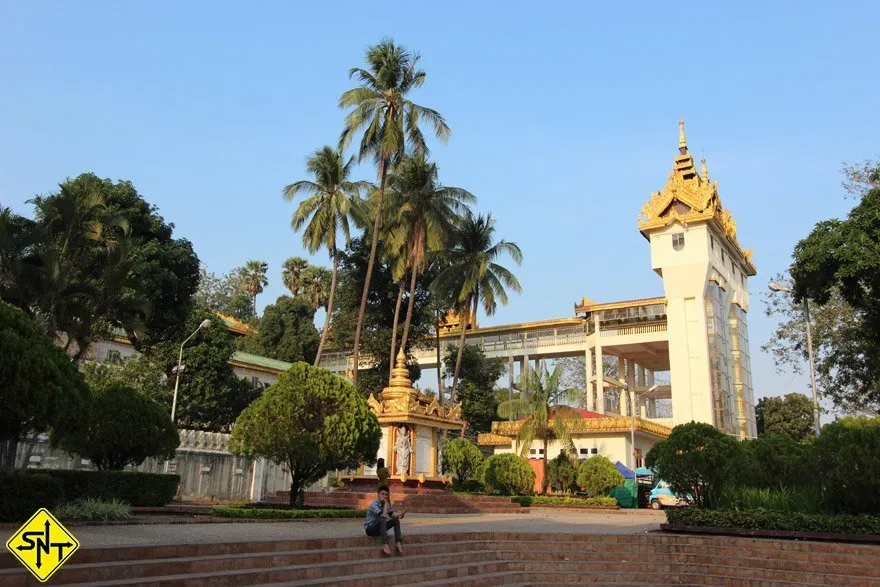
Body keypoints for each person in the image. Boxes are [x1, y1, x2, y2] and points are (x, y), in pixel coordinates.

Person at [364, 486, 406, 555]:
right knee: (383, 518)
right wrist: (386, 503)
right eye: (382, 494)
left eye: (386, 494)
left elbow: (392, 514)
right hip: (370, 529)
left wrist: (400, 515)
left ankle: (398, 543)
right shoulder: (374, 505)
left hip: (380, 528)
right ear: (378, 494)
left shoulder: (386, 504)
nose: (384, 496)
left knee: (395, 520)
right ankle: (385, 544)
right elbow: (383, 515)